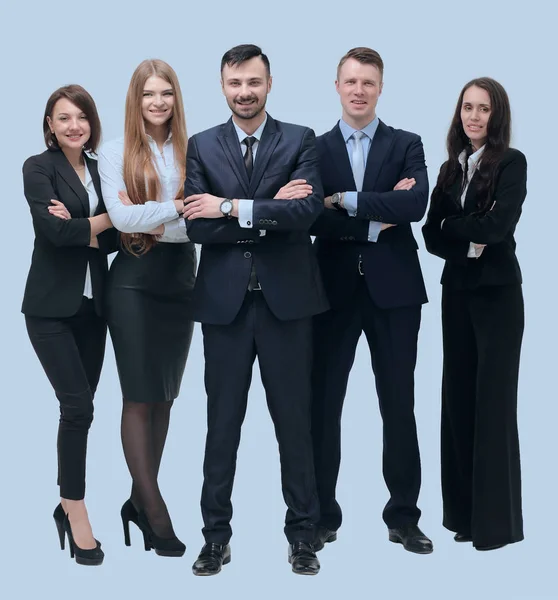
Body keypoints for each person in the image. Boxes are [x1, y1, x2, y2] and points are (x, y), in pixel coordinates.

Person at [183, 44, 329, 576]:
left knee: (294, 423)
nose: (244, 92)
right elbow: (196, 226)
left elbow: (306, 212)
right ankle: (215, 538)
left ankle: (303, 535)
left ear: (270, 83)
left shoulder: (300, 139)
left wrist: (231, 206)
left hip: (287, 306)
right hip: (224, 307)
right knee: (222, 426)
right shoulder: (201, 145)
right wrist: (271, 208)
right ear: (222, 86)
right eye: (235, 83)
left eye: (253, 82)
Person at [310, 47, 433, 554]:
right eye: (350, 81)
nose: (359, 91)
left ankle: (404, 516)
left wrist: (345, 200)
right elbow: (311, 217)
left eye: (368, 83)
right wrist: (381, 213)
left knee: (399, 405)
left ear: (381, 89)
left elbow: (416, 205)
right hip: (329, 290)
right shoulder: (312, 150)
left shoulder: (407, 143)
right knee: (323, 405)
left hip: (395, 292)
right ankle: (320, 516)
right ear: (337, 86)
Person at [422, 77, 526, 551]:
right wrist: (468, 237)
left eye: (483, 109)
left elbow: (499, 225)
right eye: (467, 107)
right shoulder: (449, 169)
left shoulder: (511, 163)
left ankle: (496, 526)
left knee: (494, 403)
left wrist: (457, 230)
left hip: (499, 297)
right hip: (457, 294)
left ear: (496, 115)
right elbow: (431, 234)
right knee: (458, 399)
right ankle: (463, 516)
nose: (474, 117)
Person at [98, 59, 196, 557]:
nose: (158, 103)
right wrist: (178, 206)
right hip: (134, 280)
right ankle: (155, 512)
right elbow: (120, 217)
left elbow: (201, 220)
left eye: (166, 94)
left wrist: (155, 216)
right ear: (135, 100)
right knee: (139, 395)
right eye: (148, 94)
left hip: (181, 278)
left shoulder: (192, 150)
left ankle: (138, 501)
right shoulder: (114, 153)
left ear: (176, 99)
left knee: (165, 396)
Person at [22, 84, 117, 566]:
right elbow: (53, 233)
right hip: (49, 309)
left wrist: (87, 224)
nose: (73, 125)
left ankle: (65, 502)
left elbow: (121, 233)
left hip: (93, 308)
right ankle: (76, 509)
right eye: (63, 118)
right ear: (51, 126)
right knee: (77, 406)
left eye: (81, 117)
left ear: (91, 122)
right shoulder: (38, 168)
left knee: (80, 409)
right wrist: (101, 220)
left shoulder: (104, 169)